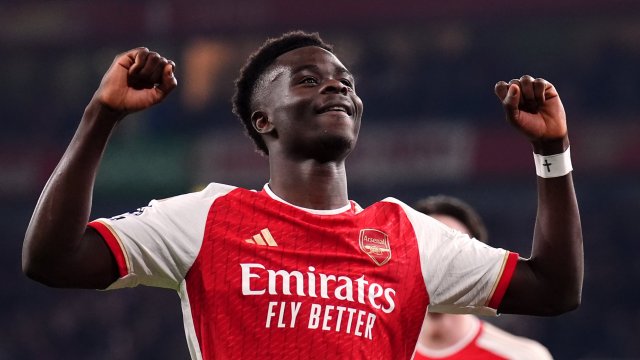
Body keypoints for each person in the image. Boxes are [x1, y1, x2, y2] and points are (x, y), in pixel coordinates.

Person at [22, 31, 583, 359]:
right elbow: (52, 258)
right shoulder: (207, 217)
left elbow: (554, 288)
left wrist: (552, 151)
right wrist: (101, 117)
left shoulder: (409, 236)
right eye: (309, 80)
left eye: (346, 82)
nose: (337, 86)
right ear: (263, 118)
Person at [413, 195, 553, 360]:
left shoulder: (523, 357)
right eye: (427, 246)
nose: (437, 261)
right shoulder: (376, 350)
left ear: (476, 265)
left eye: (451, 251)